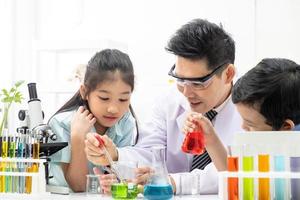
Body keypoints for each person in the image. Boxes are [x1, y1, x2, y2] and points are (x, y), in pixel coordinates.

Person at [85, 18, 243, 195]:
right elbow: (151, 153)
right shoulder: (169, 102)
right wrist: (115, 155)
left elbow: (236, 171)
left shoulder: (251, 112)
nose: (186, 92)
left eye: (198, 83)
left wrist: (173, 182)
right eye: (180, 79)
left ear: (228, 74)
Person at [184, 58, 300, 170]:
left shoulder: (293, 160)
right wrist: (210, 138)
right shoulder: (267, 142)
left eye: (251, 124)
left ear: (286, 127)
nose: (243, 127)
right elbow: (234, 174)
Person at [48, 49, 138, 192]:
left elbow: (122, 179)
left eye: (123, 99)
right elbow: (78, 187)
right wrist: (78, 138)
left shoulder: (125, 123)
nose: (114, 109)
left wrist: (113, 179)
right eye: (104, 98)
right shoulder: (62, 124)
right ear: (85, 92)